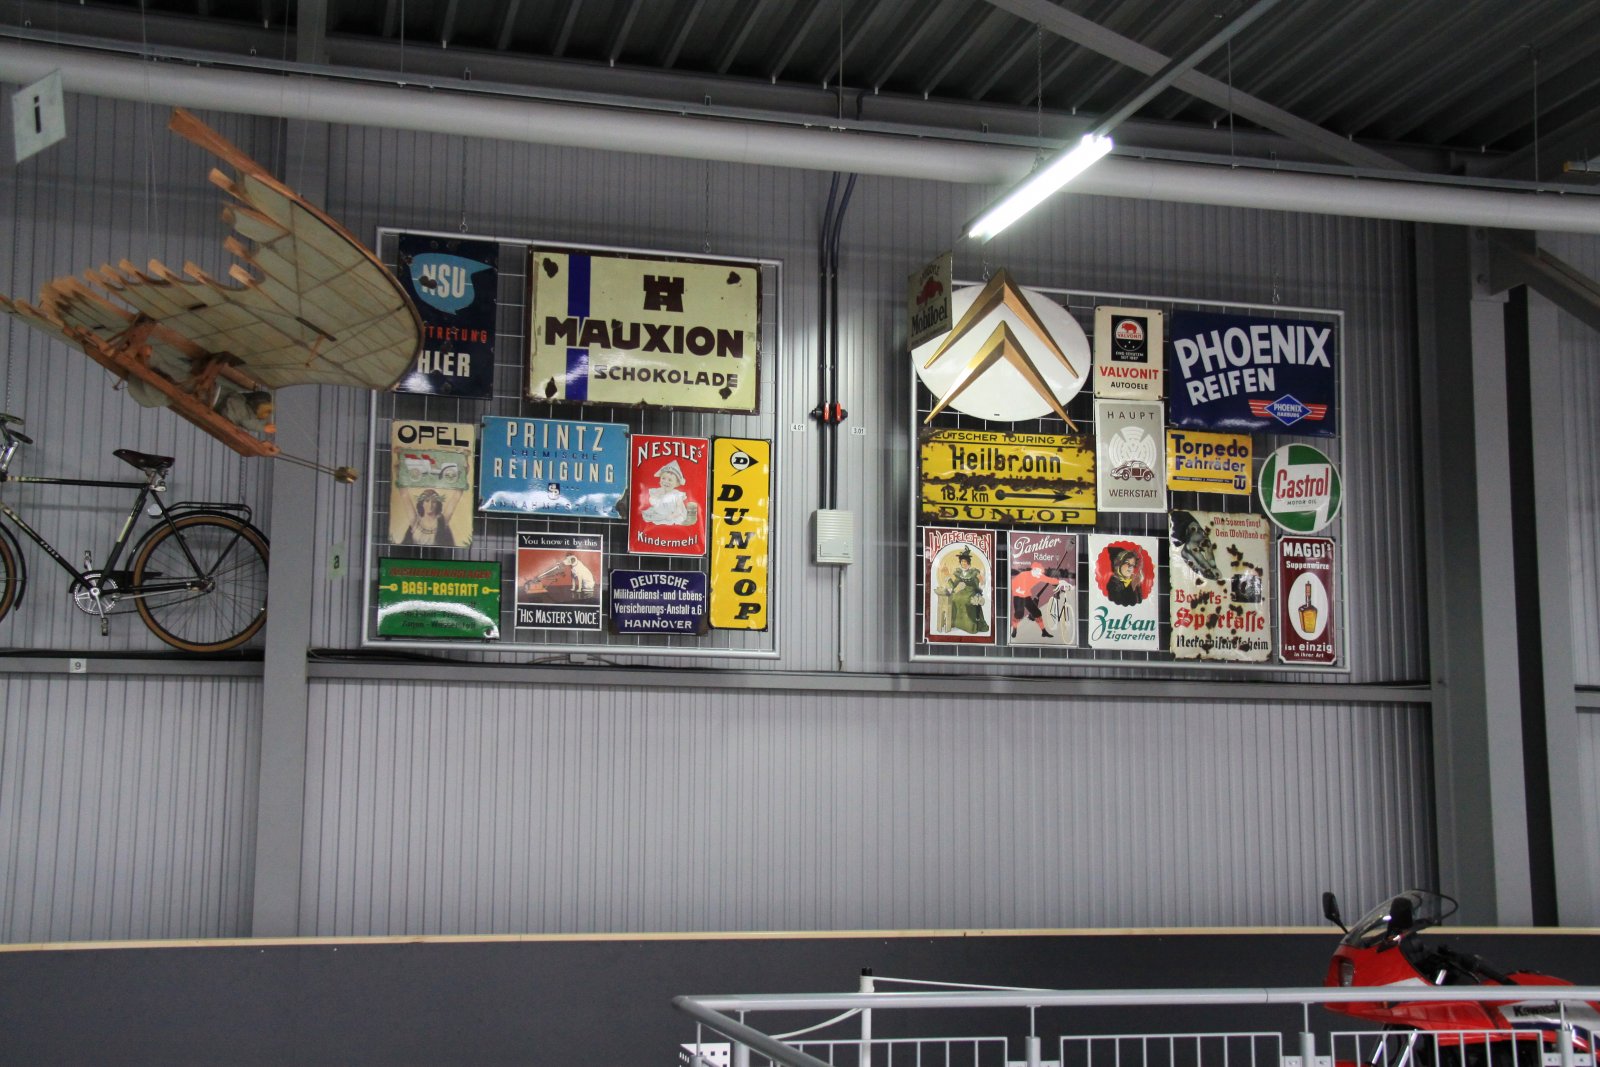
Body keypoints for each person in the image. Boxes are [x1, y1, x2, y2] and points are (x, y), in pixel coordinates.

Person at [938, 546, 988, 634]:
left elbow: (982, 581)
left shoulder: (973, 571)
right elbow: (953, 585)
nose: (963, 563)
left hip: (974, 591)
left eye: (965, 561)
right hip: (965, 590)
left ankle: (969, 626)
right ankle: (954, 622)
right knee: (954, 598)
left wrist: (980, 590)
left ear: (968, 562)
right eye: (961, 561)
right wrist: (947, 574)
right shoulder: (960, 572)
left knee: (965, 600)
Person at [1010, 563, 1063, 638]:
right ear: (1034, 569)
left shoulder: (1039, 576)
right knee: (1019, 614)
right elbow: (1013, 583)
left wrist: (1060, 582)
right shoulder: (1023, 574)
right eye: (1039, 571)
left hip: (1027, 596)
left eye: (1040, 572)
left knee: (1037, 613)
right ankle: (1014, 629)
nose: (1040, 573)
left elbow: (1049, 580)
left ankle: (1044, 632)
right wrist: (1016, 590)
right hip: (1018, 596)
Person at [641, 460, 697, 525]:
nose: (666, 482)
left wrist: (672, 516)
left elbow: (679, 509)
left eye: (670, 480)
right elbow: (653, 502)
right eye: (663, 478)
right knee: (650, 516)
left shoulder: (677, 495)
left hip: (672, 515)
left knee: (676, 520)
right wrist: (655, 498)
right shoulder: (658, 491)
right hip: (659, 513)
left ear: (676, 483)